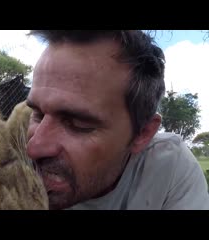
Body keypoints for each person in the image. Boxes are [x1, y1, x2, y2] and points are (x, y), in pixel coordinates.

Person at [24, 30, 209, 210]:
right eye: (38, 114)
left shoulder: (170, 168)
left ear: (142, 133)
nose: (33, 148)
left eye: (78, 124)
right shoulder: (5, 159)